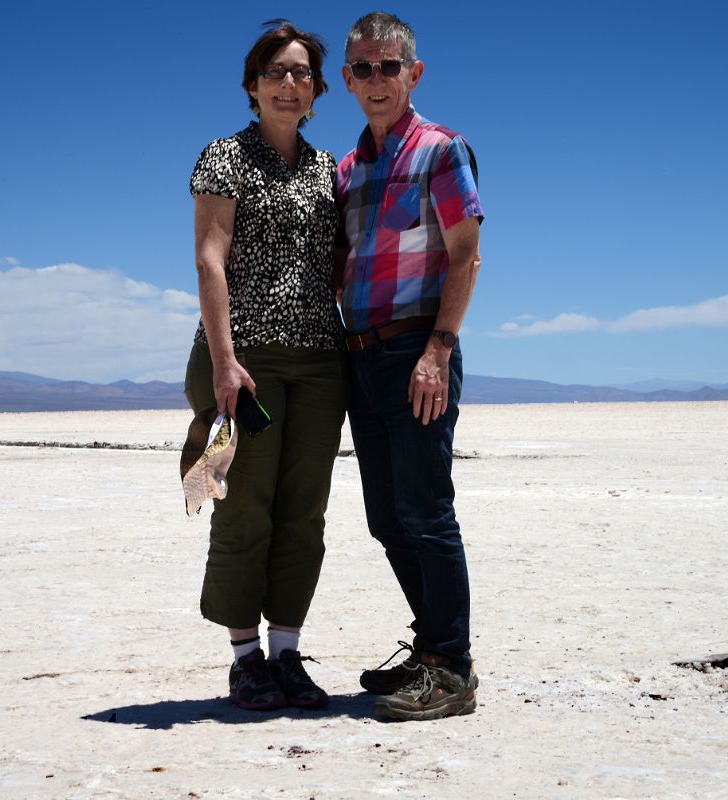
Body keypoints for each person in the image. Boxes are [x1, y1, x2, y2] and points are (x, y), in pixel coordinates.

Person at [185, 20, 348, 711]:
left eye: (302, 73)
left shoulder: (325, 169)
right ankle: (245, 658)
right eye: (277, 71)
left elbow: (339, 265)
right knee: (244, 507)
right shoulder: (225, 157)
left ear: (315, 91)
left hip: (320, 361)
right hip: (243, 362)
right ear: (253, 86)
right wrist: (224, 361)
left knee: (303, 512)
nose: (290, 83)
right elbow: (210, 259)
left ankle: (287, 654)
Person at [335, 11, 483, 721]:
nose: (375, 79)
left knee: (426, 512)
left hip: (415, 351)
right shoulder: (347, 169)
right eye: (362, 68)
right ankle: (430, 652)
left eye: (387, 66)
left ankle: (452, 670)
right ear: (346, 79)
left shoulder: (440, 150)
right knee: (387, 518)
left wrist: (438, 349)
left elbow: (465, 256)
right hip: (361, 357)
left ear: (413, 73)